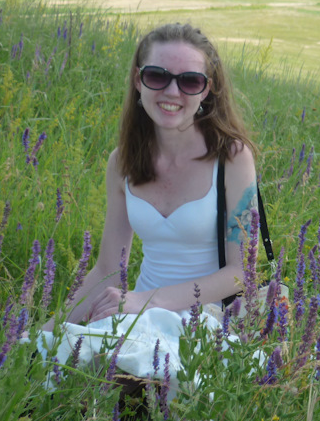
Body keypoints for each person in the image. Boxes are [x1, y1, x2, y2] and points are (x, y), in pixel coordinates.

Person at [36, 23, 262, 387]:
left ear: (207, 90)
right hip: (134, 316)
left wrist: (146, 301)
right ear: (139, 81)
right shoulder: (123, 162)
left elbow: (241, 272)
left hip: (205, 320)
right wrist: (41, 335)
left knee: (162, 385)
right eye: (158, 76)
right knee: (59, 372)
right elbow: (108, 268)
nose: (172, 91)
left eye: (190, 81)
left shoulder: (232, 158)